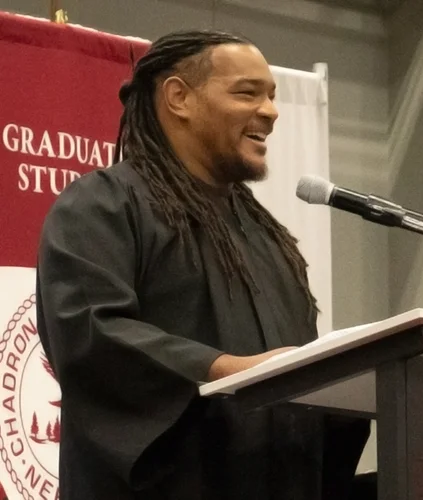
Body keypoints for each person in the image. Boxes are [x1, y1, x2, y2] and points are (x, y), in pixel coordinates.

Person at [36, 30, 369, 500]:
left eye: (272, 96)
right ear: (179, 98)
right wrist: (223, 369)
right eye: (247, 93)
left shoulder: (266, 238)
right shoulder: (104, 205)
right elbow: (89, 332)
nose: (271, 112)